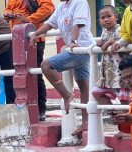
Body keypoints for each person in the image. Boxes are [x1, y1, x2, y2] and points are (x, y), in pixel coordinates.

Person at [28, 0, 94, 136]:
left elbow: (78, 24)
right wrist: (36, 34)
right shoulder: (61, 7)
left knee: (45, 65)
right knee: (84, 86)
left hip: (80, 49)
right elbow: (49, 25)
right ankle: (86, 122)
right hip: (75, 50)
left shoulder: (80, 2)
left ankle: (67, 95)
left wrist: (74, 41)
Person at [4, 0, 54, 120]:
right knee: (15, 74)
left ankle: (40, 109)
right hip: (16, 38)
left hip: (34, 38)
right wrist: (8, 14)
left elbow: (48, 8)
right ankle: (16, 109)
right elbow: (8, 8)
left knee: (35, 74)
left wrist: (29, 19)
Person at [92, 6, 131, 111]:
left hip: (120, 71)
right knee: (97, 92)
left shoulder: (120, 30)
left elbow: (124, 41)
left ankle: (128, 123)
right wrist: (100, 41)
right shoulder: (104, 32)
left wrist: (109, 42)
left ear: (116, 17)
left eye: (109, 16)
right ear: (99, 21)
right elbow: (104, 41)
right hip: (108, 73)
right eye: (103, 17)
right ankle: (115, 115)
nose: (106, 19)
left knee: (124, 100)